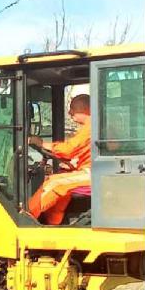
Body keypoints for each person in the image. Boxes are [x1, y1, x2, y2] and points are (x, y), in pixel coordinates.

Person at [28, 94, 92, 225]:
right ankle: (53, 224)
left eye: (73, 107)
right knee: (61, 181)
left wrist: (41, 144)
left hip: (94, 174)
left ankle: (25, 218)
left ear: (85, 109)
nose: (70, 112)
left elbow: (68, 150)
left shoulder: (91, 127)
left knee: (54, 183)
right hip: (91, 170)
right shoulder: (92, 127)